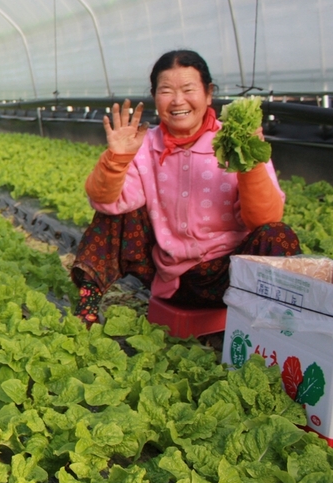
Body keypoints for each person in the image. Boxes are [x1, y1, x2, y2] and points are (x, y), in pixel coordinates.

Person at [71, 50, 301, 326]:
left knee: (278, 235)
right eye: (166, 90)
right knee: (115, 212)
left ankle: (270, 331)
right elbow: (104, 201)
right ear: (155, 97)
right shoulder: (144, 145)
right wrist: (117, 160)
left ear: (208, 93)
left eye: (188, 89)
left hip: (229, 277)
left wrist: (248, 162)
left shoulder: (235, 142)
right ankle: (87, 307)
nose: (178, 100)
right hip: (170, 278)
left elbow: (264, 219)